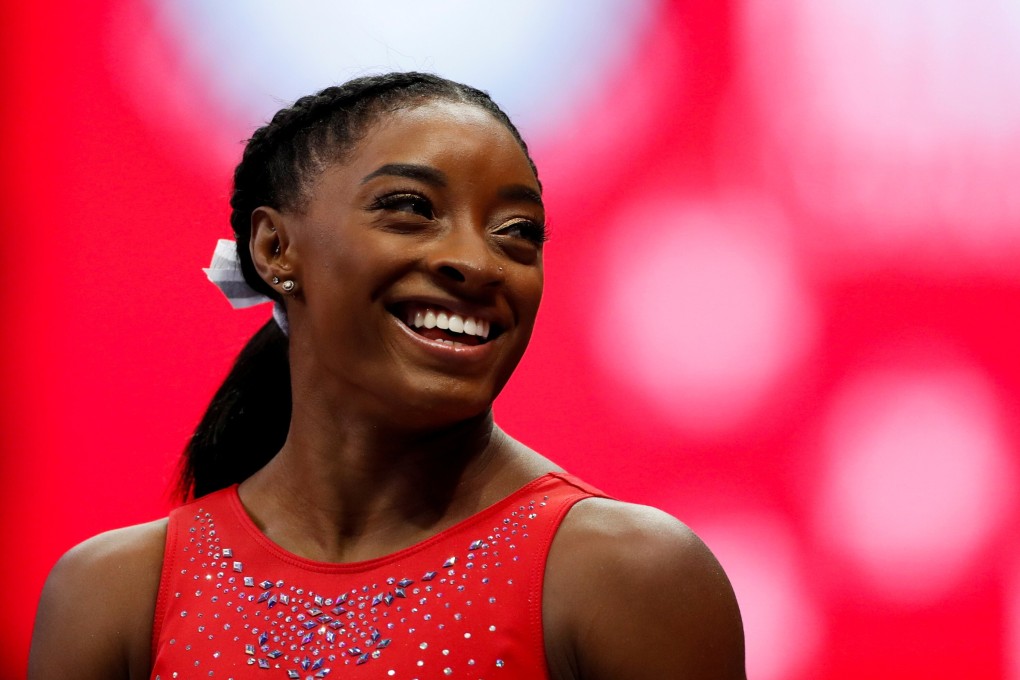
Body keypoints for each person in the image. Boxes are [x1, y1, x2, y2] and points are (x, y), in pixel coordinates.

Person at [28, 72, 745, 679]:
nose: (479, 262)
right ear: (275, 248)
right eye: (411, 209)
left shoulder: (625, 576)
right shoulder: (115, 593)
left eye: (518, 231)